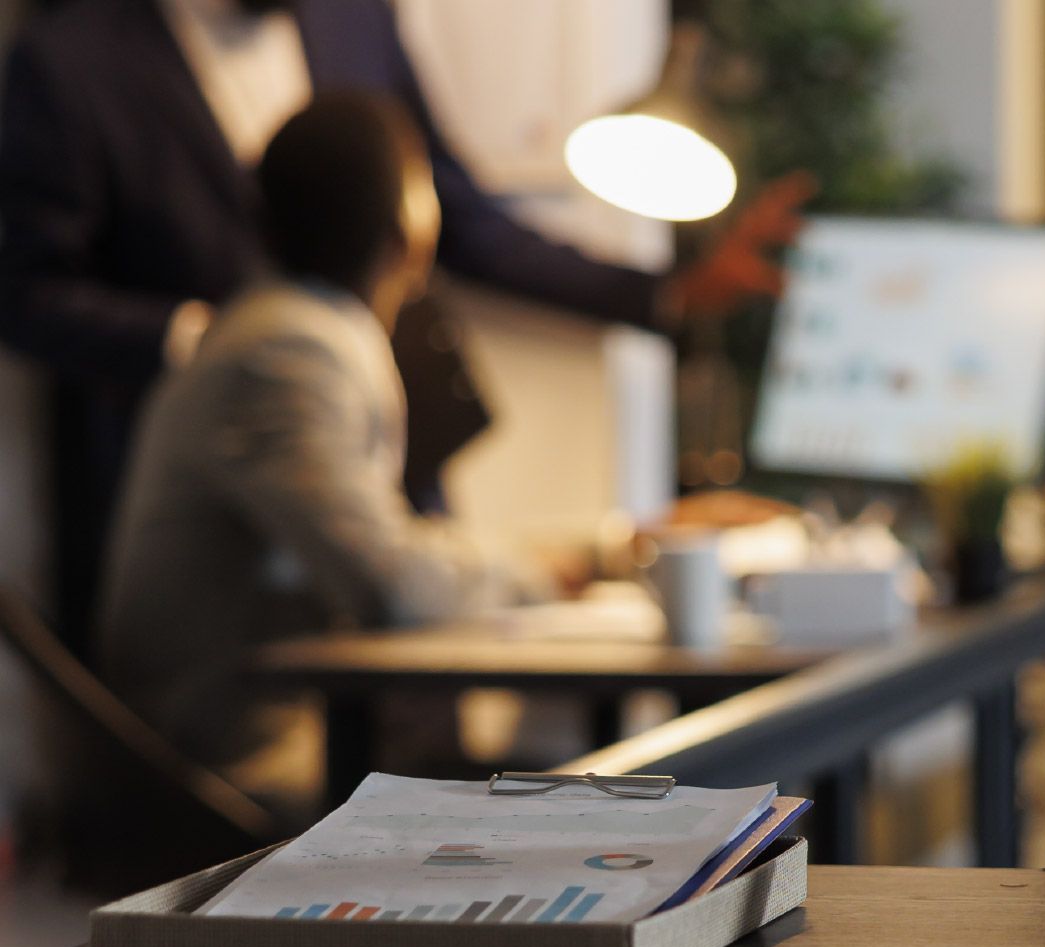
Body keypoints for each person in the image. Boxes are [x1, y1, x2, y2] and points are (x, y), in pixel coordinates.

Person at [0, 0, 810, 647]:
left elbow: (462, 212)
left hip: (375, 476)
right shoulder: (74, 57)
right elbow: (24, 292)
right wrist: (200, 338)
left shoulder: (352, 16)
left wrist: (668, 293)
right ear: (401, 235)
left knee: (431, 688)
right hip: (240, 636)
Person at [96, 91, 539, 778]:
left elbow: (383, 549)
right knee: (570, 801)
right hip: (223, 768)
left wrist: (587, 555)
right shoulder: (287, 351)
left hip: (274, 737)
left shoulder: (285, 330)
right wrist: (549, 573)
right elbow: (391, 586)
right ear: (407, 230)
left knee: (559, 789)